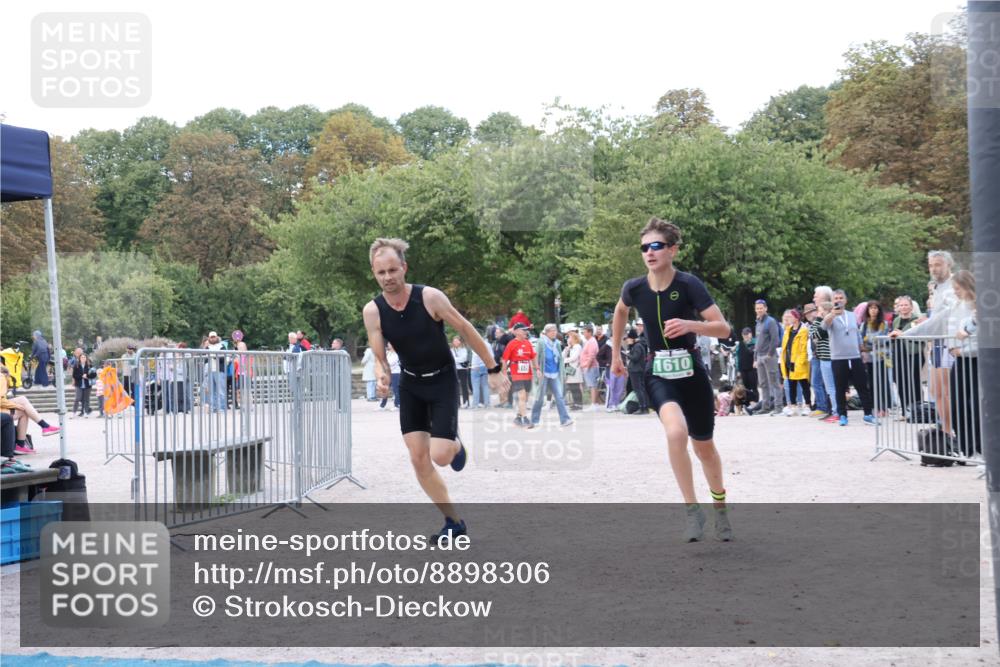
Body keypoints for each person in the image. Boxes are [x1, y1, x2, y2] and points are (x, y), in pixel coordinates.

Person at [362, 238, 509, 542]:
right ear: (374, 273)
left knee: (440, 456)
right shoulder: (373, 311)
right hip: (412, 384)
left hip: (442, 380)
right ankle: (453, 522)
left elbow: (466, 329)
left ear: (404, 267)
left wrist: (493, 368)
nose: (388, 277)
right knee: (418, 459)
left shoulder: (429, 298)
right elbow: (379, 355)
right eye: (381, 272)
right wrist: (381, 375)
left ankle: (454, 444)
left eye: (393, 270)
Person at [610, 218, 733, 542]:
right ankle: (692, 512)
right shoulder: (633, 288)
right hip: (658, 372)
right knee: (676, 433)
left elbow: (723, 328)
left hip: (691, 373)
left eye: (656, 246)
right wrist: (615, 355)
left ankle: (719, 508)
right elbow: (620, 311)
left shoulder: (690, 284)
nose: (649, 253)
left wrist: (692, 325)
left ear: (672, 250)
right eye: (644, 248)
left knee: (704, 448)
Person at [821, 290, 876, 426]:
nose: (839, 300)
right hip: (838, 357)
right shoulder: (830, 316)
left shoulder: (851, 316)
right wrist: (832, 314)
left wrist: (861, 349)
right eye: (836, 298)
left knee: (862, 386)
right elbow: (823, 327)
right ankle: (842, 415)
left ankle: (868, 414)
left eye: (841, 298)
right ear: (833, 301)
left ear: (845, 300)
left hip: (855, 356)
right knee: (840, 388)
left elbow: (856, 333)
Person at [0, 366, 60, 453]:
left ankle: (43, 428)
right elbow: (1, 400)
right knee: (23, 409)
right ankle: (44, 427)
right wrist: (15, 405)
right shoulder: (1, 377)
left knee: (23, 402)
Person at [528, 324, 574, 429]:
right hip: (544, 374)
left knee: (559, 397)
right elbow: (535, 357)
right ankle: (534, 420)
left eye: (555, 331)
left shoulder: (557, 343)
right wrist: (537, 370)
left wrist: (562, 372)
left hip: (555, 374)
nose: (554, 333)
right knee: (539, 397)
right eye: (552, 331)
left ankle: (565, 419)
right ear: (547, 332)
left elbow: (559, 359)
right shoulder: (541, 342)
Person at [889, 296, 923, 420]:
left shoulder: (917, 320)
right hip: (899, 353)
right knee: (900, 382)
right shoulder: (896, 320)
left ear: (911, 307)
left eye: (906, 305)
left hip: (914, 353)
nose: (903, 307)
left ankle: (918, 412)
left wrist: (901, 334)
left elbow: (918, 336)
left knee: (913, 382)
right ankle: (904, 411)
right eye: (901, 305)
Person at [860, 301, 891, 416]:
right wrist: (870, 341)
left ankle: (885, 407)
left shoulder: (884, 323)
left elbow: (881, 338)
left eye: (875, 308)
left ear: (879, 310)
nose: (873, 310)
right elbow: (861, 339)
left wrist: (869, 341)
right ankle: (875, 407)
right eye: (871, 308)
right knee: (872, 383)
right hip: (868, 358)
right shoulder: (864, 324)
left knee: (883, 382)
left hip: (881, 357)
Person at [502, 323, 536, 426]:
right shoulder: (511, 344)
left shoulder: (528, 343)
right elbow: (504, 360)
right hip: (516, 372)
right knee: (521, 396)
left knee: (525, 396)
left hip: (527, 372)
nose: (526, 331)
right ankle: (525, 419)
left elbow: (533, 356)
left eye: (526, 330)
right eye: (523, 330)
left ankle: (518, 417)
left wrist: (537, 368)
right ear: (516, 332)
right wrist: (504, 374)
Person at [752, 300, 783, 415]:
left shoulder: (770, 322)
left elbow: (775, 339)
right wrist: (755, 358)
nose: (759, 310)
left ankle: (778, 407)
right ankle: (765, 407)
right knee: (763, 383)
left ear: (766, 308)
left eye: (761, 308)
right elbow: (757, 343)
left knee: (774, 382)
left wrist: (769, 354)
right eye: (757, 308)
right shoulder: (758, 322)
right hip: (759, 357)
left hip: (769, 356)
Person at [779, 310, 810, 416]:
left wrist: (800, 362)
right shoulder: (788, 330)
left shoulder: (803, 331)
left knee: (804, 384)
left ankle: (807, 406)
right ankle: (793, 406)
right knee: (791, 385)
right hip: (788, 361)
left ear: (796, 318)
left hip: (798, 362)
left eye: (790, 317)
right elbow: (785, 346)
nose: (788, 319)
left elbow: (803, 348)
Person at [202, 331, 228, 412]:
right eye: (211, 337)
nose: (213, 338)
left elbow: (223, 358)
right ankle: (213, 408)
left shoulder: (222, 346)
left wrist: (214, 356)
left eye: (214, 337)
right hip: (209, 371)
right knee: (211, 392)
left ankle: (221, 408)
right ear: (209, 338)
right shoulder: (207, 348)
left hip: (219, 371)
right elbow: (204, 359)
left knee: (221, 391)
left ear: (217, 337)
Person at [625, 329, 649, 414]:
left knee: (638, 389)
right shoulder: (636, 346)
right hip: (638, 370)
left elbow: (635, 358)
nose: (627, 340)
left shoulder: (637, 346)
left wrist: (627, 354)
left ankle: (643, 407)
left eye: (628, 338)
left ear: (632, 338)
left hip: (636, 370)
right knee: (641, 389)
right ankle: (644, 407)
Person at [733, 327, 758, 407]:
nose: (745, 337)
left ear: (750, 334)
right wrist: (738, 369)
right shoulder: (740, 344)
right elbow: (737, 357)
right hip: (743, 368)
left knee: (754, 386)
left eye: (747, 334)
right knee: (745, 387)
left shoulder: (756, 342)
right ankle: (747, 404)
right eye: (744, 335)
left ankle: (755, 403)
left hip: (752, 368)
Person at [469, 329, 492, 409]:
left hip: (476, 367)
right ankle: (487, 404)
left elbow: (475, 356)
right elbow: (492, 356)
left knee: (476, 387)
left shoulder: (475, 343)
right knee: (485, 386)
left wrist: (474, 365)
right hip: (485, 366)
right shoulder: (488, 344)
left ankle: (475, 404)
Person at [562, 330, 584, 410]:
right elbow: (562, 355)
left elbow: (574, 358)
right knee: (572, 387)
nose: (568, 339)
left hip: (575, 369)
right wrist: (567, 348)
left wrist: (564, 360)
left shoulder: (577, 347)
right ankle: (575, 403)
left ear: (574, 338)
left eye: (569, 337)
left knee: (575, 387)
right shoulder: (570, 347)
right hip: (569, 369)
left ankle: (579, 404)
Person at [580, 325, 601, 410]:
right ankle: (594, 404)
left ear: (589, 332)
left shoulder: (592, 341)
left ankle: (593, 404)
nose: (583, 334)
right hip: (589, 366)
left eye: (584, 332)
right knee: (592, 385)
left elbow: (592, 356)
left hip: (591, 367)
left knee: (592, 385)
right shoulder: (589, 341)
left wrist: (587, 367)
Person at [71, 352, 95, 417]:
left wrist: (87, 376)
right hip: (79, 385)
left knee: (87, 399)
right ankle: (74, 412)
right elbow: (74, 375)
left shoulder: (90, 366)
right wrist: (82, 376)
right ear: (79, 358)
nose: (83, 358)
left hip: (88, 385)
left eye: (84, 357)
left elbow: (94, 375)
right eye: (82, 357)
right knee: (77, 398)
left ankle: (86, 412)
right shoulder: (76, 366)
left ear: (86, 358)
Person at [451, 336, 472, 409]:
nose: (456, 342)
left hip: (462, 369)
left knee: (464, 386)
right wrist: (458, 359)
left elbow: (464, 358)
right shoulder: (451, 350)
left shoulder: (464, 349)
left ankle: (466, 402)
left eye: (457, 341)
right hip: (454, 369)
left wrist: (456, 359)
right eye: (454, 341)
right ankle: (457, 403)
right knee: (455, 386)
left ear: (460, 342)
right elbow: (451, 359)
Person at [379, 343, 401, 410]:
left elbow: (390, 363)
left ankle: (397, 405)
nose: (388, 345)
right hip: (388, 374)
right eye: (388, 344)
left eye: (390, 344)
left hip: (395, 373)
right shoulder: (388, 353)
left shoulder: (397, 354)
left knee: (396, 390)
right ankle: (382, 406)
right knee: (385, 389)